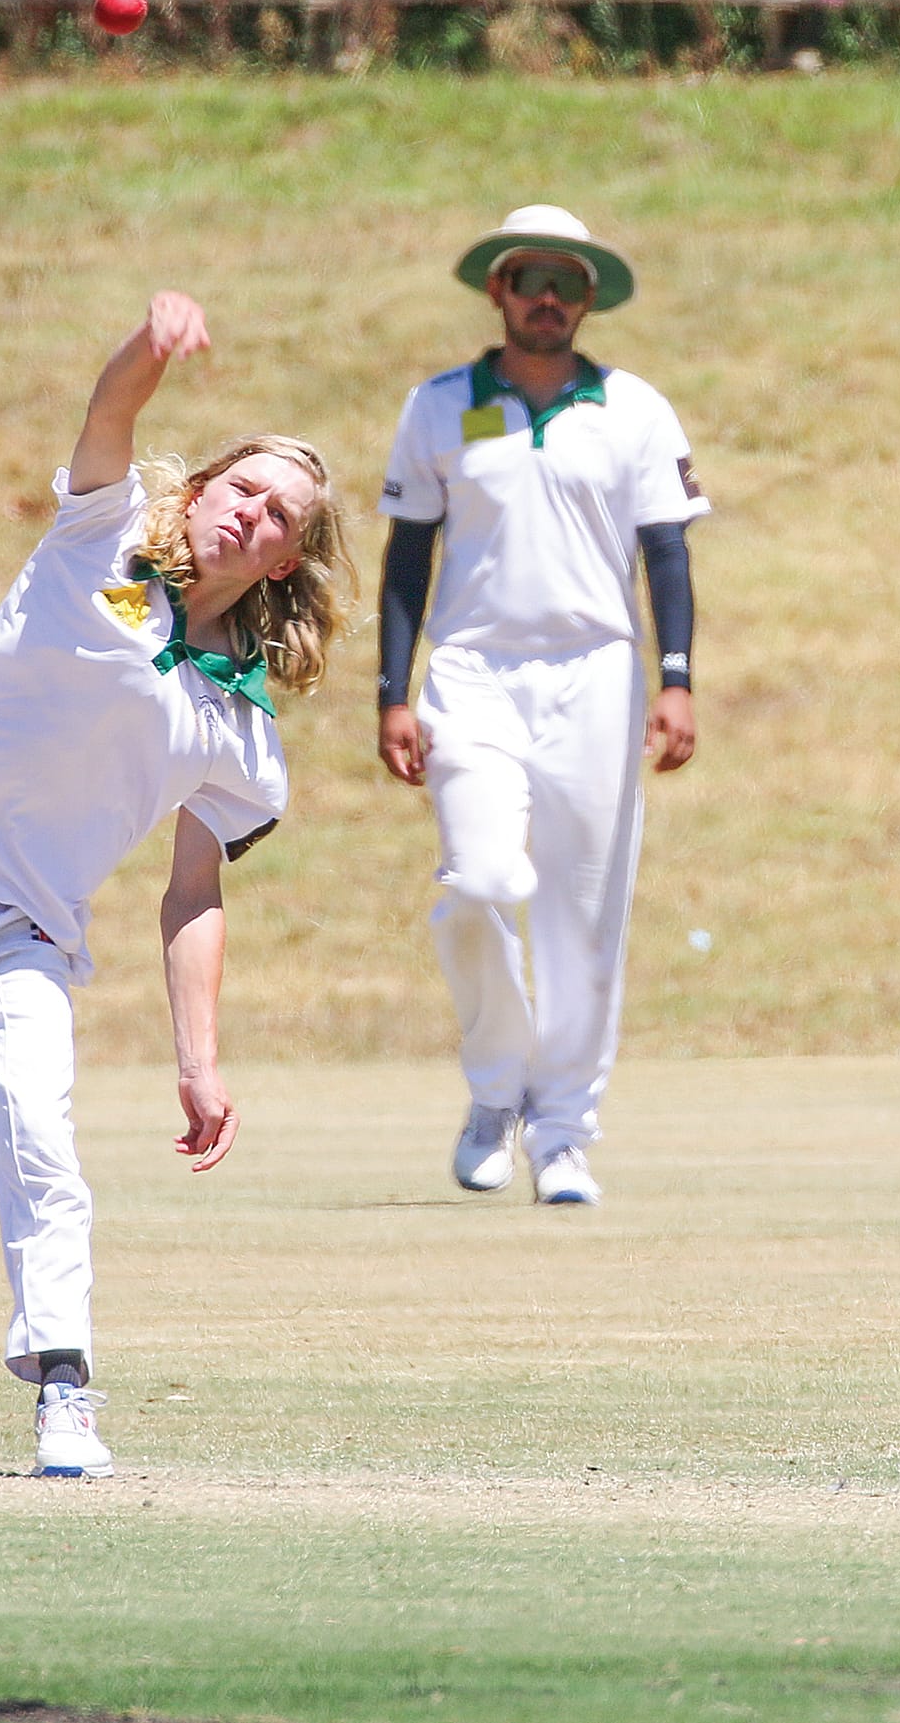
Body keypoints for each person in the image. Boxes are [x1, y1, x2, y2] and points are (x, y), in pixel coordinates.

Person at [0, 292, 353, 1477]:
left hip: (20, 927)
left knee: (40, 1137)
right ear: (200, 492)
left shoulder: (239, 724)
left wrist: (198, 1058)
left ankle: (64, 1391)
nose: (253, 513)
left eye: (280, 513)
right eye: (244, 486)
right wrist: (149, 346)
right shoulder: (101, 538)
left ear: (288, 554)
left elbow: (191, 893)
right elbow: (109, 410)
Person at [375, 205, 707, 1207]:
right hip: (470, 672)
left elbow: (666, 552)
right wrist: (391, 692)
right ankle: (494, 1096)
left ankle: (561, 1133)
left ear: (587, 298)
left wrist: (676, 677)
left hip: (595, 674)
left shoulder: (634, 408)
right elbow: (405, 557)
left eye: (566, 282)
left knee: (581, 914)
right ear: (497, 292)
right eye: (530, 280)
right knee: (476, 881)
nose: (547, 298)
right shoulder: (438, 406)